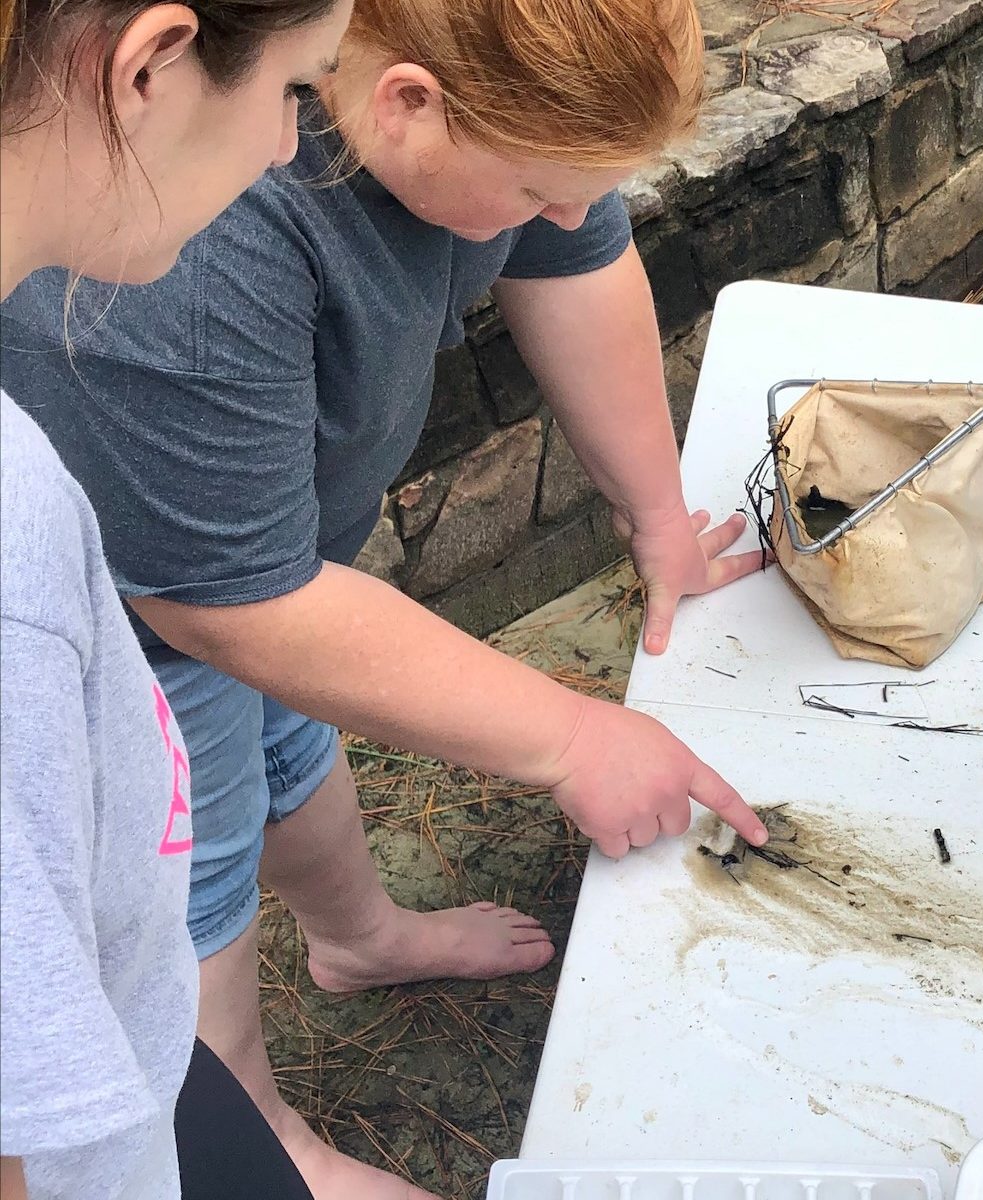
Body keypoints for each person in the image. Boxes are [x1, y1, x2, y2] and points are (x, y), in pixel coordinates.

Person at [0, 0, 773, 1195]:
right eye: (533, 190)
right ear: (405, 103)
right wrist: (571, 738)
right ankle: (261, 1129)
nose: (566, 213)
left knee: (294, 747)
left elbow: (577, 255)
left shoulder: (483, 121)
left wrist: (658, 518)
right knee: (186, 874)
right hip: (148, 609)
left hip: (272, 548)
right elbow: (230, 605)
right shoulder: (183, 245)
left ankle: (358, 936)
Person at [0, 0, 354, 1196]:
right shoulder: (11, 541)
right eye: (298, 90)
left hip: (134, 1045)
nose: (284, 149)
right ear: (151, 65)